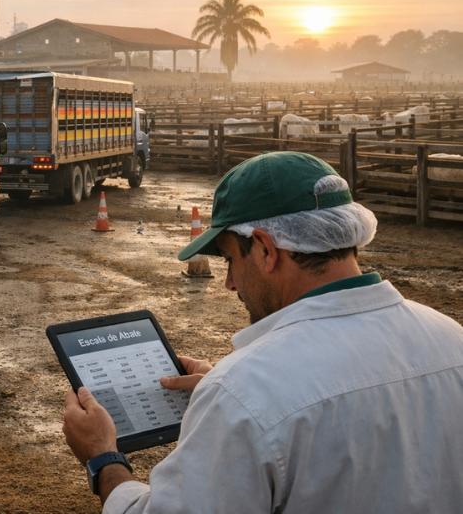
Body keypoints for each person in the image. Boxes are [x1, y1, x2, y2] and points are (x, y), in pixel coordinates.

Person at [62, 151, 463, 513]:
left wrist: (103, 459)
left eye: (230, 260)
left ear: (266, 249)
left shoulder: (243, 394)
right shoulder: (452, 341)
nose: (229, 284)